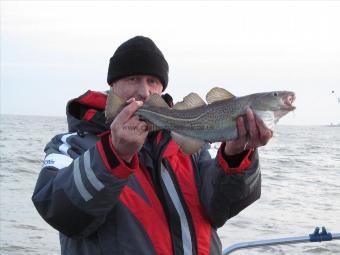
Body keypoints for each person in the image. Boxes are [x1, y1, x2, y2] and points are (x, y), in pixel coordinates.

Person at [32, 36, 272, 255]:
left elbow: (221, 208)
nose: (143, 90)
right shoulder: (71, 145)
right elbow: (58, 210)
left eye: (153, 81)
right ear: (113, 86)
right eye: (132, 79)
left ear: (161, 89)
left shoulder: (194, 144)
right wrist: (114, 155)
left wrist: (235, 156)